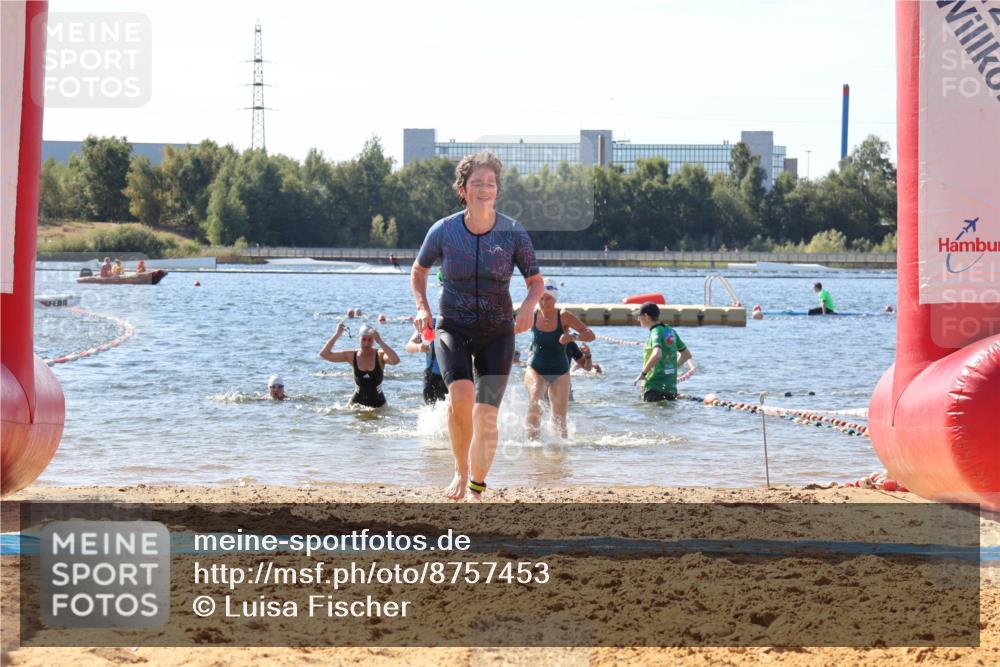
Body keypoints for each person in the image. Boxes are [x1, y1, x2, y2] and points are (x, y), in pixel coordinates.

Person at [411, 150, 543, 500]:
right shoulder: (444, 230)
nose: (485, 189)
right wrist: (422, 307)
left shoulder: (513, 233)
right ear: (463, 189)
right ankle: (460, 468)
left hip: (498, 332)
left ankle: (476, 486)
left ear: (497, 189)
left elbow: (536, 283)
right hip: (452, 327)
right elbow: (418, 271)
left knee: (486, 415)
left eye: (491, 183)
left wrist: (530, 305)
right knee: (461, 397)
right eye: (477, 183)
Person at [525, 279, 594, 439]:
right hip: (536, 368)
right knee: (535, 397)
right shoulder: (532, 314)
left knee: (559, 420)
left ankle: (561, 454)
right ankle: (531, 444)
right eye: (541, 298)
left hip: (560, 371)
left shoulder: (563, 316)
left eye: (548, 298)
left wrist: (573, 337)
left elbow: (590, 334)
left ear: (555, 298)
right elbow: (511, 330)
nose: (543, 302)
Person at [319, 322, 399, 408]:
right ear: (359, 339)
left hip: (379, 405)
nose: (366, 343)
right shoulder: (351, 356)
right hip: (356, 405)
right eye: (363, 339)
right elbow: (324, 354)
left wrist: (380, 341)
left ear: (373, 340)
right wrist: (337, 334)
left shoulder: (380, 356)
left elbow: (395, 360)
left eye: (370, 340)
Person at [634, 302, 694, 402]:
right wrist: (670, 367)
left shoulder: (655, 332)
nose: (638, 319)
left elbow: (657, 354)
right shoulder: (670, 331)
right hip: (670, 387)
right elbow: (686, 355)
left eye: (639, 316)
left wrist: (643, 374)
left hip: (654, 386)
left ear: (646, 316)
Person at [406, 316, 448, 405]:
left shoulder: (461, 323)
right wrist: (418, 347)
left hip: (455, 376)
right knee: (433, 410)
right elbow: (409, 346)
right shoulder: (430, 323)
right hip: (433, 377)